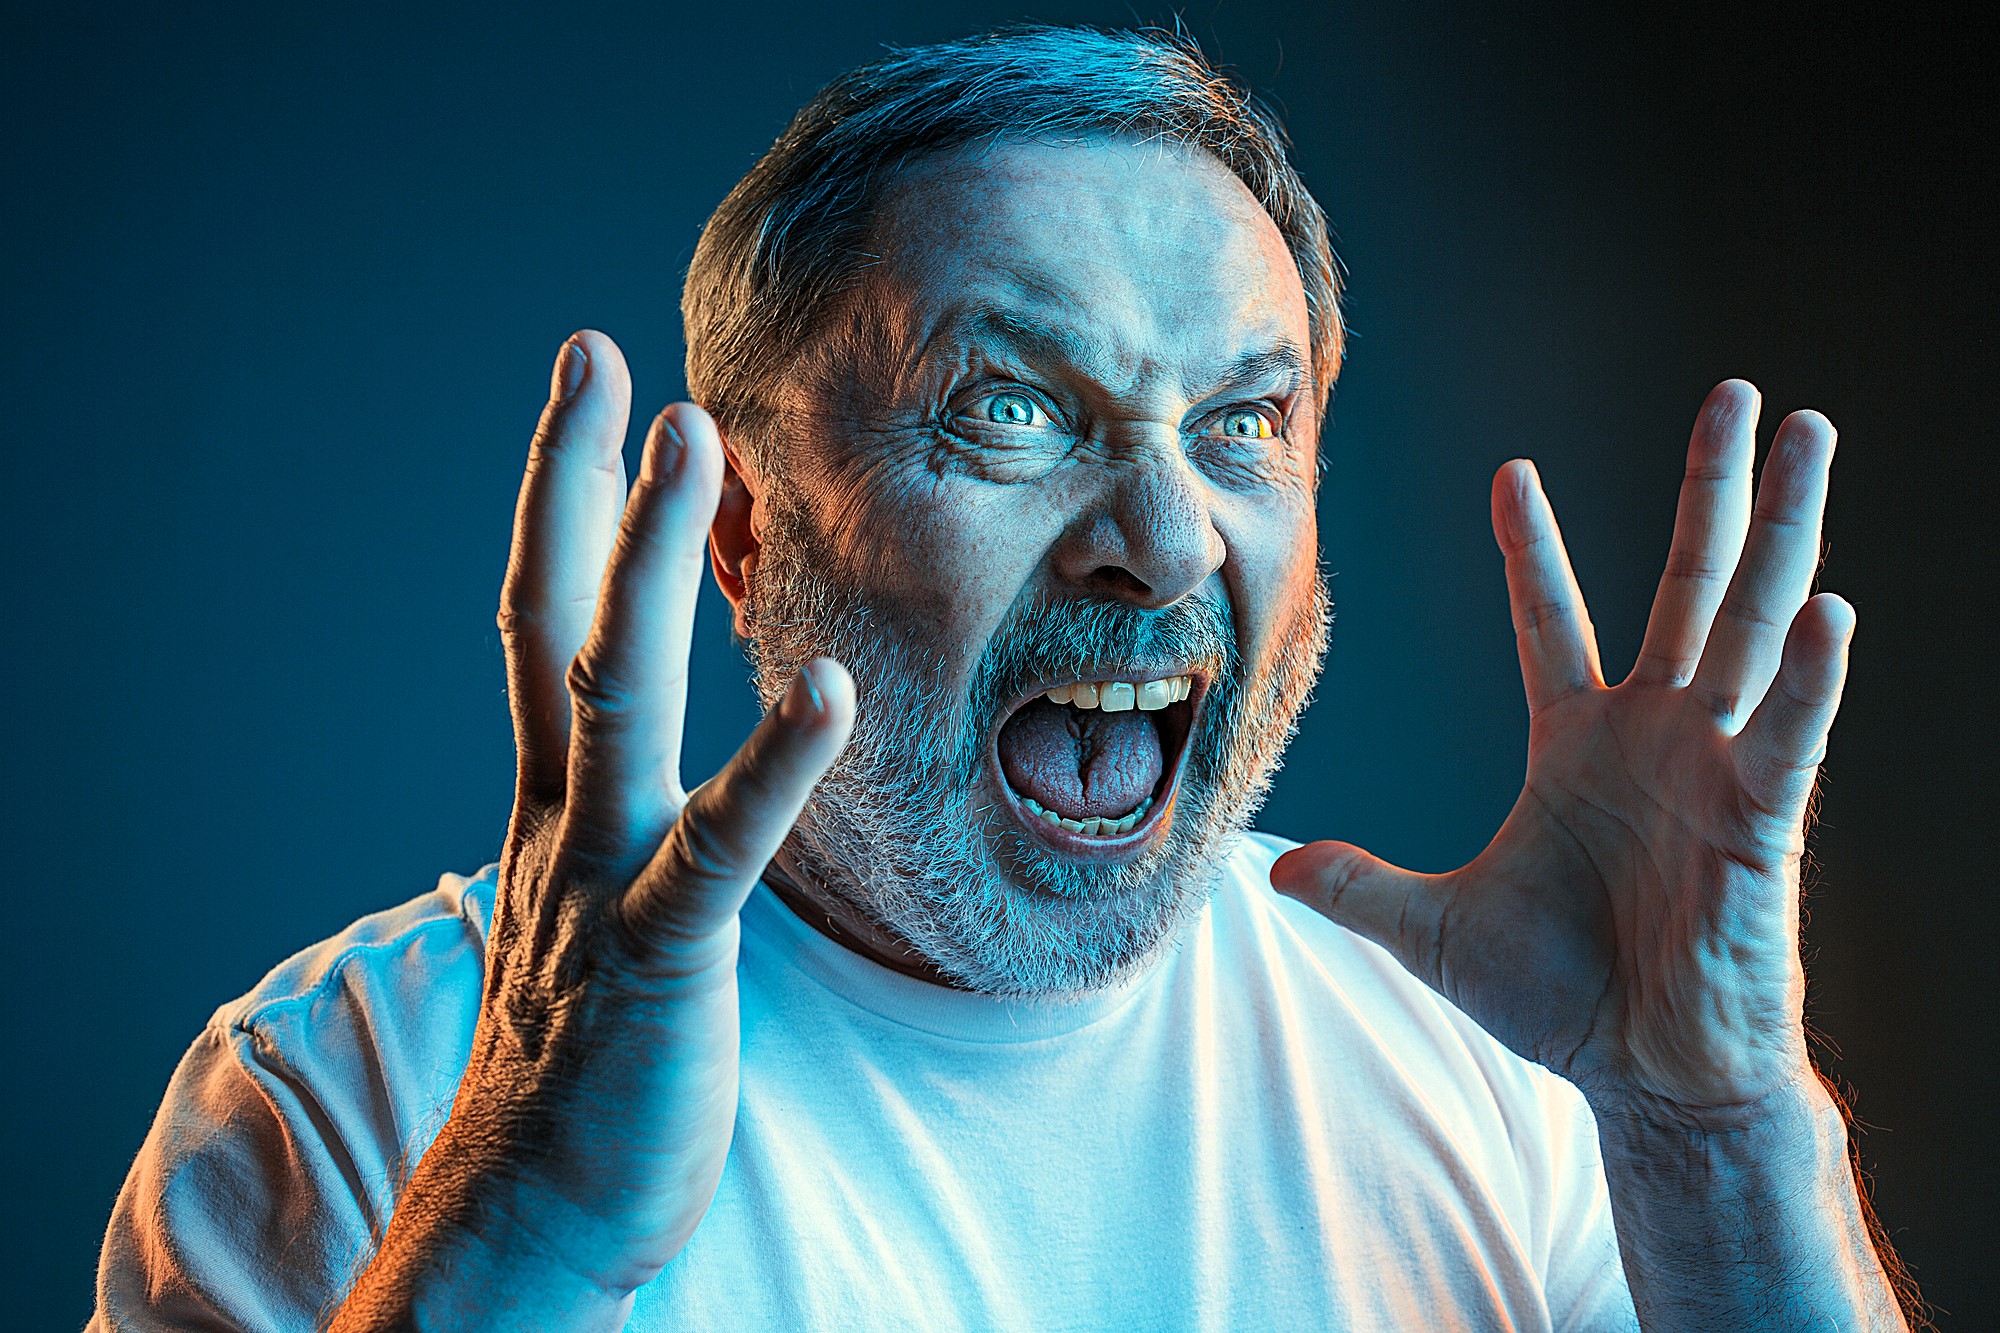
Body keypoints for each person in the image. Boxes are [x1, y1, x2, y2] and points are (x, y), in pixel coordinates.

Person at [93, 26, 1914, 1332]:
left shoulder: (1510, 1075)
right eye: (1013, 408)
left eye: (1243, 424)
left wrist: (1717, 1125)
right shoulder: (356, 1091)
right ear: (743, 535)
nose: (1169, 536)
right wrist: (530, 1228)